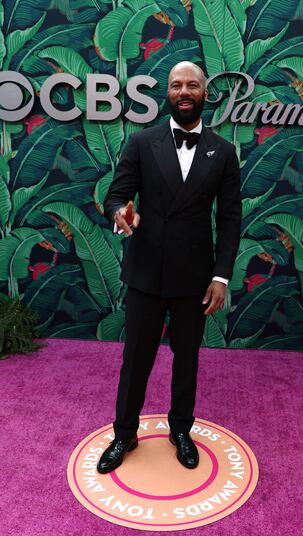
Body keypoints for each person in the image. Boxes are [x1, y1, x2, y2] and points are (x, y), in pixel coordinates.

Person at [97, 61, 241, 474]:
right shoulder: (142, 142)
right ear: (167, 93)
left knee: (187, 359)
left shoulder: (223, 152)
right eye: (176, 84)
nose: (183, 91)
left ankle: (181, 430)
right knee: (135, 359)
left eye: (191, 85)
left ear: (204, 93)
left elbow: (229, 219)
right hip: (145, 273)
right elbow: (117, 195)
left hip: (194, 278)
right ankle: (124, 433)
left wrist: (220, 276)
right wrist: (120, 215)